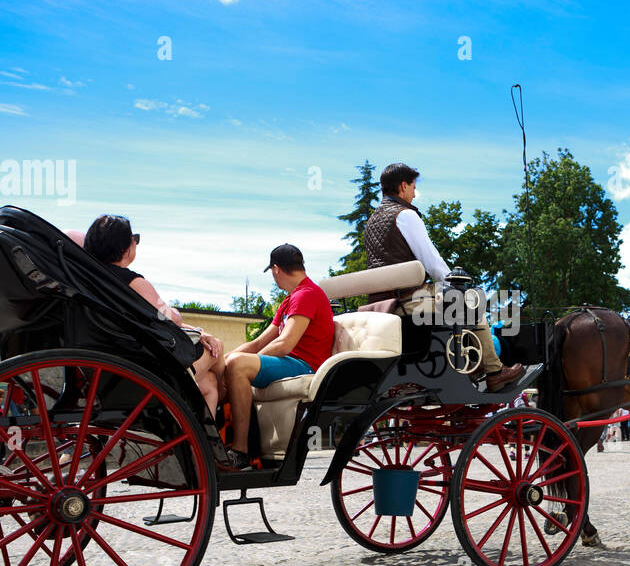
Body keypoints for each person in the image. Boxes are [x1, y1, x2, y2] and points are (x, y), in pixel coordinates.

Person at [362, 163, 521, 392]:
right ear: (403, 185)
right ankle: (494, 371)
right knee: (472, 301)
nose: (414, 193)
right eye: (413, 187)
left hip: (380, 302)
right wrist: (457, 286)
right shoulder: (405, 215)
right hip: (407, 299)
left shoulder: (372, 222)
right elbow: (432, 262)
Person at [83, 214, 225, 415]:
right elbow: (171, 318)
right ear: (125, 247)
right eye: (135, 239)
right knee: (216, 348)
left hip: (103, 371)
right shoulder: (132, 283)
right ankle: (226, 400)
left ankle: (204, 439)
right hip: (143, 373)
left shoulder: (86, 282)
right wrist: (178, 315)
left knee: (209, 383)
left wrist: (198, 331)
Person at [221, 245, 336, 470]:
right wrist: (226, 359)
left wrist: (243, 363)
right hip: (287, 363)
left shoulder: (306, 295)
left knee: (237, 366)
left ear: (276, 269)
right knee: (228, 362)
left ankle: (241, 451)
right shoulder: (290, 299)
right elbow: (257, 343)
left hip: (304, 366)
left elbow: (284, 344)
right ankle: (213, 438)